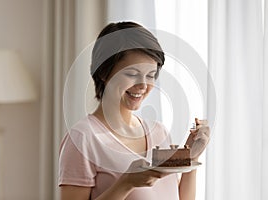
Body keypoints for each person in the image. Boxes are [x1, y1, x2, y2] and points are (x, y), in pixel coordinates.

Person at [59, 21, 210, 200]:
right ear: (103, 72)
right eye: (131, 74)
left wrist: (191, 158)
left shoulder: (159, 132)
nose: (143, 85)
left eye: (150, 75)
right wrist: (127, 182)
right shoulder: (83, 138)